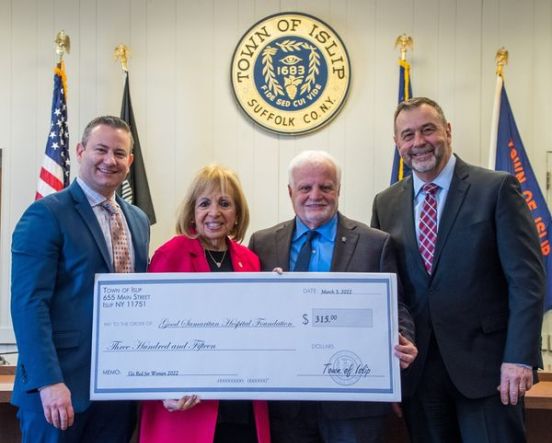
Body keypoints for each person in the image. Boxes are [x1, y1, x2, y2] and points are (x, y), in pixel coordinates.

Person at [371, 96, 545, 442]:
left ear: (448, 131)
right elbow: (388, 290)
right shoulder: (386, 202)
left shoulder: (496, 188)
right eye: (407, 135)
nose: (418, 142)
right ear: (397, 144)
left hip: (490, 371)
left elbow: (526, 281)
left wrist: (519, 358)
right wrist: (387, 375)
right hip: (420, 374)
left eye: (428, 130)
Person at [248, 150, 417, 443]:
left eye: (326, 186)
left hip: (353, 404)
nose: (316, 195)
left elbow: (395, 305)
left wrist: (403, 337)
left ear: (338, 189)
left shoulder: (375, 243)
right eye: (305, 187)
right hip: (286, 404)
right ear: (291, 192)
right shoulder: (261, 243)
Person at [11, 115, 151, 442]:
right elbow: (29, 304)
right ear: (80, 150)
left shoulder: (138, 220)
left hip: (118, 393)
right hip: (59, 393)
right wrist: (48, 383)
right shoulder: (46, 214)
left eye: (119, 153)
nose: (109, 160)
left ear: (129, 161)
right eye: (100, 149)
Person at [139, 164, 270, 443]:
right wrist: (164, 387)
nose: (214, 212)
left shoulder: (251, 261)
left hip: (241, 405)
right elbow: (148, 331)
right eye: (205, 203)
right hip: (187, 408)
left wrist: (280, 294)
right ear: (193, 212)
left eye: (225, 203)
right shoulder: (170, 255)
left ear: (237, 215)